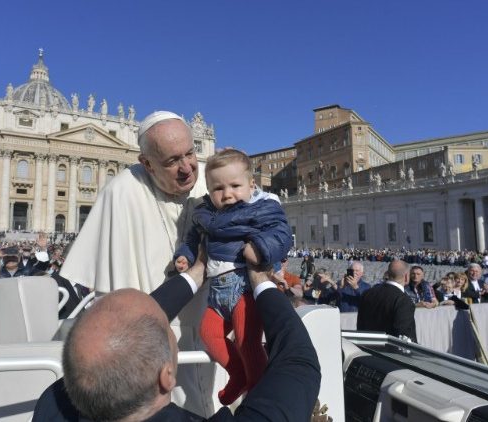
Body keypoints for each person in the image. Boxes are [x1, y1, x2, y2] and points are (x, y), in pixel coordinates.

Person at [33, 250, 320, 421]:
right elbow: (298, 362)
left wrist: (195, 274)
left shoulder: (52, 405)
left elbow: (124, 326)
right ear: (167, 376)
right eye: (165, 329)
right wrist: (261, 281)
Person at [58, 111, 212, 415]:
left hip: (211, 332)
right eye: (172, 161)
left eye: (190, 154)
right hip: (155, 344)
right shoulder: (123, 191)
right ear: (147, 163)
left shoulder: (212, 179)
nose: (187, 169)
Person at [173, 148, 292, 405]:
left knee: (247, 341)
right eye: (218, 188)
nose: (227, 194)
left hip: (243, 288)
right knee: (207, 334)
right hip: (216, 293)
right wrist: (185, 255)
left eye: (235, 186)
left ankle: (259, 394)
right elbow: (193, 239)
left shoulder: (262, 208)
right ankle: (237, 374)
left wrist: (261, 248)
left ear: (252, 185)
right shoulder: (205, 214)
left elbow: (281, 233)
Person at [356, 260, 417, 342]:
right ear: (406, 277)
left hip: (366, 348)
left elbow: (360, 326)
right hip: (389, 352)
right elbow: (404, 337)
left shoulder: (368, 293)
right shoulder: (403, 300)